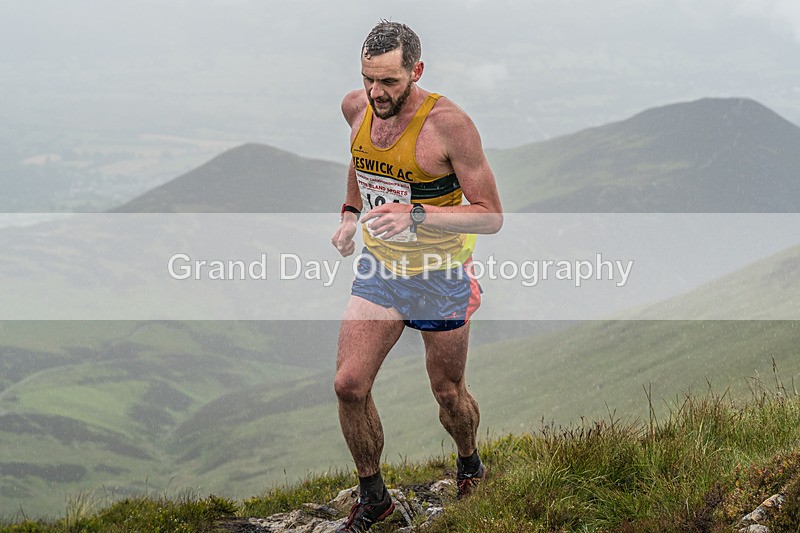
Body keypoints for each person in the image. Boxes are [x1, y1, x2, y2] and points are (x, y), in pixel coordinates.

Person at [330, 20, 503, 532]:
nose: (376, 93)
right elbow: (362, 163)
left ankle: (469, 463)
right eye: (369, 79)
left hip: (441, 275)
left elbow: (491, 215)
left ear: (416, 71)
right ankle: (374, 497)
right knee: (348, 385)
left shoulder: (449, 126)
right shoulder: (355, 107)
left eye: (389, 82)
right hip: (381, 269)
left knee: (448, 392)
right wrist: (346, 215)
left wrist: (417, 216)